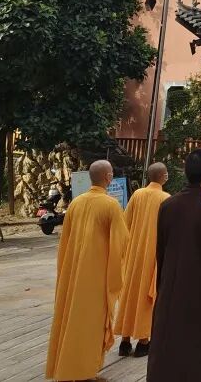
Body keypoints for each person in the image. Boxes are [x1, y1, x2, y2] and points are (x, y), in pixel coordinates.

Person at [147, 148, 201, 382]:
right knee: (198, 356)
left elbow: (161, 252)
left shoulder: (168, 206)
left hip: (170, 289)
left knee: (167, 347)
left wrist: (163, 287)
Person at [45, 159, 129, 381]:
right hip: (96, 277)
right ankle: (84, 373)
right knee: (90, 324)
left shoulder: (76, 203)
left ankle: (76, 369)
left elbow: (65, 242)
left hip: (74, 273)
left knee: (74, 320)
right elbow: (122, 242)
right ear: (108, 178)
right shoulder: (110, 205)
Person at [115, 162, 171, 358]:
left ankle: (124, 340)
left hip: (133, 254)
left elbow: (125, 223)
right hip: (153, 256)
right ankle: (143, 341)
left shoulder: (137, 195)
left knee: (129, 294)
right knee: (147, 298)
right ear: (164, 177)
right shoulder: (166, 199)